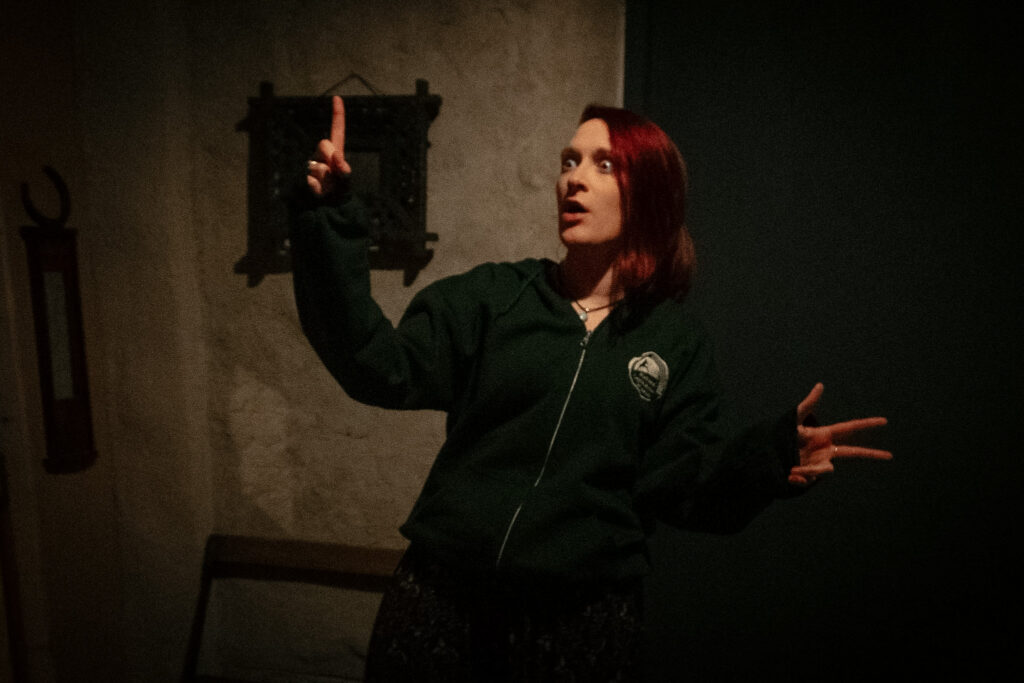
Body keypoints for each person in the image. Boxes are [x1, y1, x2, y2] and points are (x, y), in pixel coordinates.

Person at [293, 96, 891, 681]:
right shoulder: (495, 299)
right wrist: (331, 221)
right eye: (568, 161)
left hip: (580, 623)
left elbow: (687, 485)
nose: (573, 181)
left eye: (603, 165)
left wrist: (772, 458)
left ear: (648, 193)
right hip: (441, 599)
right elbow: (377, 366)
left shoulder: (674, 345)